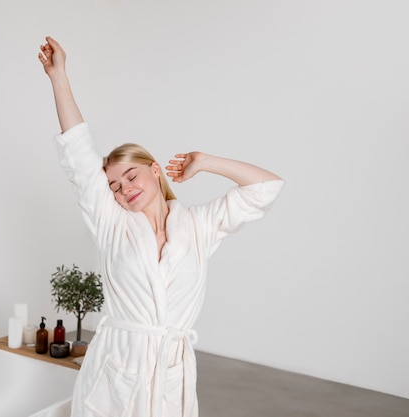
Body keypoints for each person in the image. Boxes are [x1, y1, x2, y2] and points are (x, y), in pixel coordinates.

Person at [38, 36, 284, 417]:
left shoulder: (198, 226)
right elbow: (79, 155)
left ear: (155, 170)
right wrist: (59, 76)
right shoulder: (112, 224)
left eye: (132, 176)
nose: (125, 190)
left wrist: (205, 161)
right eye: (115, 187)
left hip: (170, 374)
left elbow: (266, 188)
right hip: (115, 374)